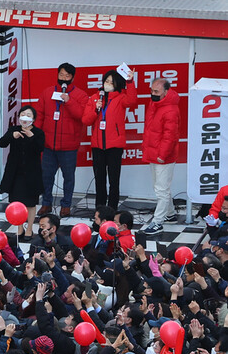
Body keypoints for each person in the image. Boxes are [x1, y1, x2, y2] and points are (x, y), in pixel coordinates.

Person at [35, 62, 86, 217]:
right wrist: (37, 136)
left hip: (69, 146)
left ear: (72, 77)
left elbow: (81, 115)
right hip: (49, 144)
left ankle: (66, 205)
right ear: (57, 75)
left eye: (67, 75)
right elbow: (40, 115)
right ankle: (46, 203)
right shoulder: (47, 92)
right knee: (46, 176)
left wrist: (69, 101)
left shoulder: (80, 95)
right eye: (61, 74)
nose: (64, 78)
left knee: (68, 177)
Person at [82, 68, 137, 210]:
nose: (108, 84)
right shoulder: (95, 98)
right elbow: (86, 120)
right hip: (98, 146)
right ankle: (99, 210)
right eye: (106, 81)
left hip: (115, 146)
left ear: (117, 84)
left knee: (114, 180)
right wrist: (96, 109)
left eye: (111, 82)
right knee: (99, 181)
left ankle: (112, 209)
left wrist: (130, 81)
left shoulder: (121, 98)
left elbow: (132, 100)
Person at [141, 77, 181, 235]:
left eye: (156, 91)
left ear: (166, 91)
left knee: (161, 190)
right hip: (154, 153)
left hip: (163, 156)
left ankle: (158, 222)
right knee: (161, 187)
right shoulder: (155, 103)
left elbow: (170, 136)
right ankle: (170, 214)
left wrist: (162, 155)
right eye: (151, 90)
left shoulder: (171, 109)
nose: (152, 93)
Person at [0, 106, 45, 237]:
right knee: (17, 202)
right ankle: (19, 228)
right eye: (23, 114)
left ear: (33, 119)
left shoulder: (38, 133)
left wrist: (31, 137)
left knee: (31, 203)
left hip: (32, 174)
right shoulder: (13, 129)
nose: (25, 117)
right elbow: (1, 143)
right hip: (16, 173)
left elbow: (39, 148)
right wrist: (11, 136)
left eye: (28, 115)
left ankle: (29, 228)